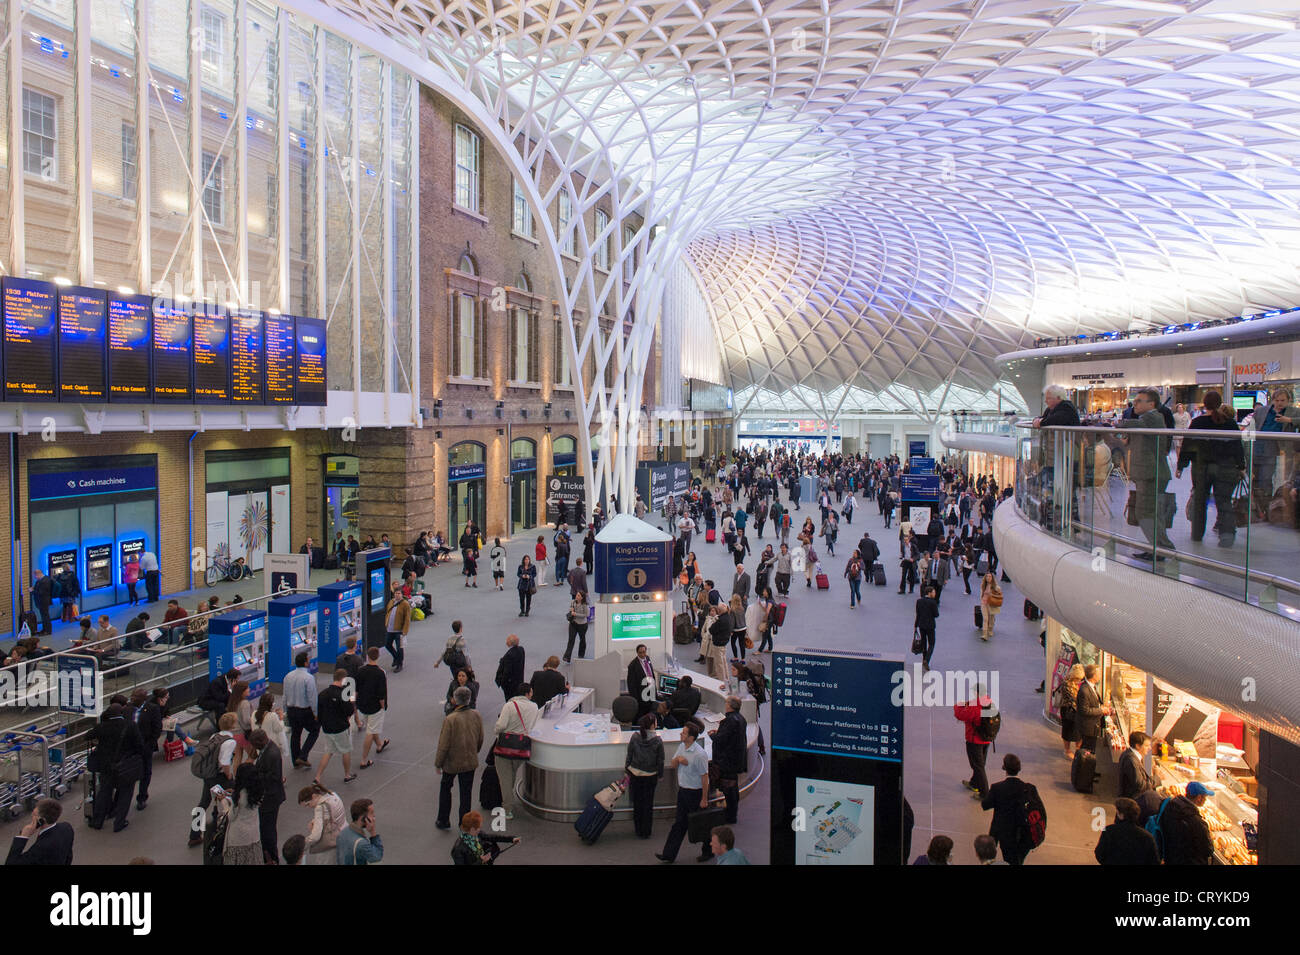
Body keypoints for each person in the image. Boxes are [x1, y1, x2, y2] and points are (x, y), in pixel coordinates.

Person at [1176, 390, 1245, 547]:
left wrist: (1181, 466)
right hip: (1226, 468)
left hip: (1202, 468)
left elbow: (1188, 446)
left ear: (1204, 404)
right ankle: (1227, 537)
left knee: (1200, 501)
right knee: (1224, 502)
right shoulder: (1230, 423)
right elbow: (1237, 447)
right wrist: (1241, 466)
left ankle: (1197, 535)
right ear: (1220, 403)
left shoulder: (1198, 423)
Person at [1117, 388, 1177, 560]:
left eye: (1139, 401)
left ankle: (1163, 549)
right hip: (1150, 473)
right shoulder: (1147, 420)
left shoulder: (1152, 417)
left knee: (1146, 512)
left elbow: (1127, 424)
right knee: (1149, 512)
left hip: (1151, 473)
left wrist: (1121, 424)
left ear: (1151, 404)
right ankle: (1157, 548)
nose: (1134, 404)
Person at [654, 722, 710, 864]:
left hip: (695, 793)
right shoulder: (681, 747)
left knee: (700, 824)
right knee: (679, 824)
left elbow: (705, 777)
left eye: (684, 733)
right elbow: (673, 765)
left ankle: (708, 851)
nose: (681, 734)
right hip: (683, 791)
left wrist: (704, 799)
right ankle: (669, 854)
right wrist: (678, 760)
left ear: (691, 737)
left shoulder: (700, 754)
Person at [86, 703, 145, 833]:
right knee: (125, 793)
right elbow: (139, 745)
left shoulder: (102, 727)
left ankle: (97, 822)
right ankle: (119, 823)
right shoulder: (130, 725)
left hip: (106, 766)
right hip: (126, 765)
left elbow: (88, 736)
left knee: (104, 793)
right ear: (121, 713)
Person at [980, 753, 1042, 866]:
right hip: (1025, 833)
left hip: (1005, 833)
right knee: (1018, 859)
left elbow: (985, 805)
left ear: (1004, 768)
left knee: (1008, 858)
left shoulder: (997, 788)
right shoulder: (1030, 788)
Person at [435, 687, 483, 830]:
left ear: (455, 699)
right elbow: (480, 738)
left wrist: (439, 763)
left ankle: (443, 820)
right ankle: (465, 824)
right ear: (469, 699)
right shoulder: (476, 715)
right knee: (466, 792)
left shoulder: (450, 719)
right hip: (470, 760)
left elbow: (443, 744)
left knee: (446, 787)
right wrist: (474, 751)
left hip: (452, 762)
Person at [188, 713, 239, 848]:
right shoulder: (230, 742)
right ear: (233, 726)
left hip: (209, 775)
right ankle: (226, 832)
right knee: (231, 801)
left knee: (203, 803)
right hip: (220, 776)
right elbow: (224, 763)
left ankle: (194, 834)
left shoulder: (214, 736)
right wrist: (229, 777)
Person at [494, 684, 538, 820]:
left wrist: (496, 730)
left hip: (505, 746)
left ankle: (507, 809)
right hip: (522, 747)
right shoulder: (534, 707)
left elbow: (501, 725)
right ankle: (508, 798)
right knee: (511, 774)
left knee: (505, 779)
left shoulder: (509, 706)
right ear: (527, 694)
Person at [708, 696, 748, 832]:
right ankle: (732, 813)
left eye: (726, 703)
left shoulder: (730, 721)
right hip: (736, 760)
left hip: (727, 761)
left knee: (729, 789)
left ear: (730, 706)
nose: (725, 704)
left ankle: (730, 815)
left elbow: (721, 739)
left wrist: (713, 735)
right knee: (732, 788)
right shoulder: (741, 719)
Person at [212, 764, 264, 865]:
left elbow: (230, 816)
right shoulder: (259, 791)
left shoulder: (239, 796)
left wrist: (223, 801)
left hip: (238, 838)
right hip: (254, 835)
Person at [248, 729, 286, 864]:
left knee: (267, 830)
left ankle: (272, 858)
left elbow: (274, 777)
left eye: (254, 744)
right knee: (266, 829)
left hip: (270, 798)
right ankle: (268, 856)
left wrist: (255, 775)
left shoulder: (272, 754)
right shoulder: (267, 750)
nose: (253, 747)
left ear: (260, 742)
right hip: (270, 796)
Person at [315, 668, 358, 785]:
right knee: (346, 750)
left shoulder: (322, 694)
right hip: (340, 727)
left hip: (327, 728)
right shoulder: (342, 695)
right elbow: (349, 711)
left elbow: (319, 712)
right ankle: (347, 774)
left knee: (328, 751)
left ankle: (318, 776)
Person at [624, 712, 664, 839]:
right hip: (650, 775)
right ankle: (646, 831)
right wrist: (660, 774)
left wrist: (627, 769)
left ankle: (638, 829)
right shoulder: (657, 741)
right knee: (648, 803)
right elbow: (660, 760)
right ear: (653, 725)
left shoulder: (635, 737)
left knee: (637, 802)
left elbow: (629, 754)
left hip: (635, 774)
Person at [954, 686, 998, 799]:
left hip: (974, 741)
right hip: (986, 739)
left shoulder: (975, 707)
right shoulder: (990, 703)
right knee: (980, 763)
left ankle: (985, 794)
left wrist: (958, 705)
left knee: (978, 766)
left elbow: (960, 714)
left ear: (977, 692)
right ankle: (974, 783)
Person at [1158, 781, 1215, 865]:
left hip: (1171, 857)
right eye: (1205, 797)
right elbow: (1208, 849)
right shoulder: (1196, 822)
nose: (1206, 800)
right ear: (1199, 798)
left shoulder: (1170, 806)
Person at [4, 799, 74, 865]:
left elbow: (11, 863)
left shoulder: (41, 847)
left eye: (34, 814)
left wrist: (23, 837)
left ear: (41, 820)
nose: (31, 815)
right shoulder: (66, 827)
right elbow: (69, 856)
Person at [1094, 797, 1160, 866]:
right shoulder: (1148, 837)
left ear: (1121, 815)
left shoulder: (1109, 831)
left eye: (1117, 812)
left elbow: (1099, 854)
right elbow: (1154, 861)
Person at [283, 651, 320, 769]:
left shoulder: (288, 676)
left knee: (296, 734)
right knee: (314, 730)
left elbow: (285, 696)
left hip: (291, 710)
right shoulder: (308, 678)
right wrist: (316, 713)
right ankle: (303, 755)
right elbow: (312, 697)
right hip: (305, 711)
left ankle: (295, 761)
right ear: (305, 662)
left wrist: (285, 711)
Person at [355, 648, 391, 769]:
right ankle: (364, 760)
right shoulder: (380, 673)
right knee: (370, 731)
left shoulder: (360, 671)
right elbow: (381, 693)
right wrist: (383, 706)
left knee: (372, 725)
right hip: (375, 706)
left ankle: (380, 744)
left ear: (367, 656)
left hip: (363, 704)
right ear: (378, 656)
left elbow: (356, 689)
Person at [299, 782, 347, 864]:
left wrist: (302, 845)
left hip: (330, 844)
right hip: (344, 834)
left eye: (308, 804)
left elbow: (315, 836)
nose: (309, 807)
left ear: (314, 796)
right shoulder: (333, 795)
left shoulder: (320, 808)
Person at [450, 810, 518, 865]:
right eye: (478, 827)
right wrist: (481, 861)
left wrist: (511, 839)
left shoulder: (476, 834)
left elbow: (493, 837)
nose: (480, 829)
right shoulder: (458, 849)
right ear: (472, 829)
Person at [1074, 664, 1111, 755]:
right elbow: (1084, 710)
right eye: (1099, 674)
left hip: (1092, 727)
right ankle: (1084, 767)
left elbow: (1093, 703)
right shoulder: (1084, 690)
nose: (1100, 676)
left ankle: (1086, 765)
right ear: (1094, 676)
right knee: (1088, 750)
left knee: (1091, 749)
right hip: (1088, 727)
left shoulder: (1091, 686)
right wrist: (1101, 710)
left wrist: (1101, 706)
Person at [337, 798, 384, 865]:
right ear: (363, 818)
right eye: (371, 813)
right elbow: (377, 856)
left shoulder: (343, 832)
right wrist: (373, 832)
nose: (374, 816)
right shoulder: (361, 844)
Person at [1053, 663, 1085, 759]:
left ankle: (1077, 749)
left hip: (1074, 710)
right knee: (1068, 730)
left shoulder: (1073, 682)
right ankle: (1067, 750)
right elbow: (1074, 699)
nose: (1079, 681)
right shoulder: (1067, 684)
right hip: (1068, 711)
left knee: (1077, 731)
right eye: (1078, 679)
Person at [1118, 731, 1155, 800]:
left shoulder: (1129, 754)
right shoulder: (1131, 760)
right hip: (1133, 799)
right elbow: (1140, 785)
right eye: (1146, 746)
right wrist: (1157, 778)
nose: (1149, 748)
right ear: (1137, 746)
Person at [384, 583, 411, 673]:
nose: (397, 595)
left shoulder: (405, 604)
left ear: (402, 594)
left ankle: (400, 664)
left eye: (399, 593)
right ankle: (396, 657)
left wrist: (405, 631)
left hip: (399, 630)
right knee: (387, 645)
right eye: (396, 593)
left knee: (400, 647)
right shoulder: (391, 601)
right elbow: (388, 612)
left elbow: (407, 619)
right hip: (390, 629)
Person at [913, 585, 939, 672]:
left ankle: (924, 658)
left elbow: (918, 614)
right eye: (933, 592)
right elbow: (936, 614)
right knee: (931, 643)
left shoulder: (919, 601)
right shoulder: (933, 602)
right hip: (930, 626)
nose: (935, 593)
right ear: (930, 593)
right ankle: (926, 660)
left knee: (923, 643)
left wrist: (916, 625)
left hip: (921, 625)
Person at [626, 644, 656, 717]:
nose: (643, 654)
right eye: (640, 652)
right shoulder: (633, 665)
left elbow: (651, 673)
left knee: (651, 714)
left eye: (644, 652)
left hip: (651, 692)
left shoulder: (648, 659)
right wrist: (636, 700)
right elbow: (631, 684)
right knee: (642, 715)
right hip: (641, 696)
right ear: (637, 653)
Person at [494, 633, 525, 701]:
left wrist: (502, 682)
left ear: (510, 643)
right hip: (519, 681)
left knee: (510, 700)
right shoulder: (521, 650)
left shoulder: (509, 655)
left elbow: (507, 672)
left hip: (510, 684)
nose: (506, 642)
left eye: (507, 640)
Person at [565, 591, 590, 663]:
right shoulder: (573, 602)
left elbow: (586, 615)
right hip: (573, 623)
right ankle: (567, 657)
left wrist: (575, 614)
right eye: (576, 595)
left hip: (582, 625)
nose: (577, 596)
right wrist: (571, 610)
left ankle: (581, 654)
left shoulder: (585, 605)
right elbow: (571, 609)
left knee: (582, 639)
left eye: (578, 595)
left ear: (582, 597)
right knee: (571, 640)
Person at [978, 570, 1002, 641]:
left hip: (992, 604)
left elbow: (999, 594)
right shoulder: (983, 585)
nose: (988, 578)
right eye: (987, 576)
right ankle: (984, 634)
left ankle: (990, 629)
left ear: (992, 578)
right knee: (985, 619)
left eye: (990, 576)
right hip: (984, 603)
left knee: (991, 618)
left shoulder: (995, 587)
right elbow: (981, 594)